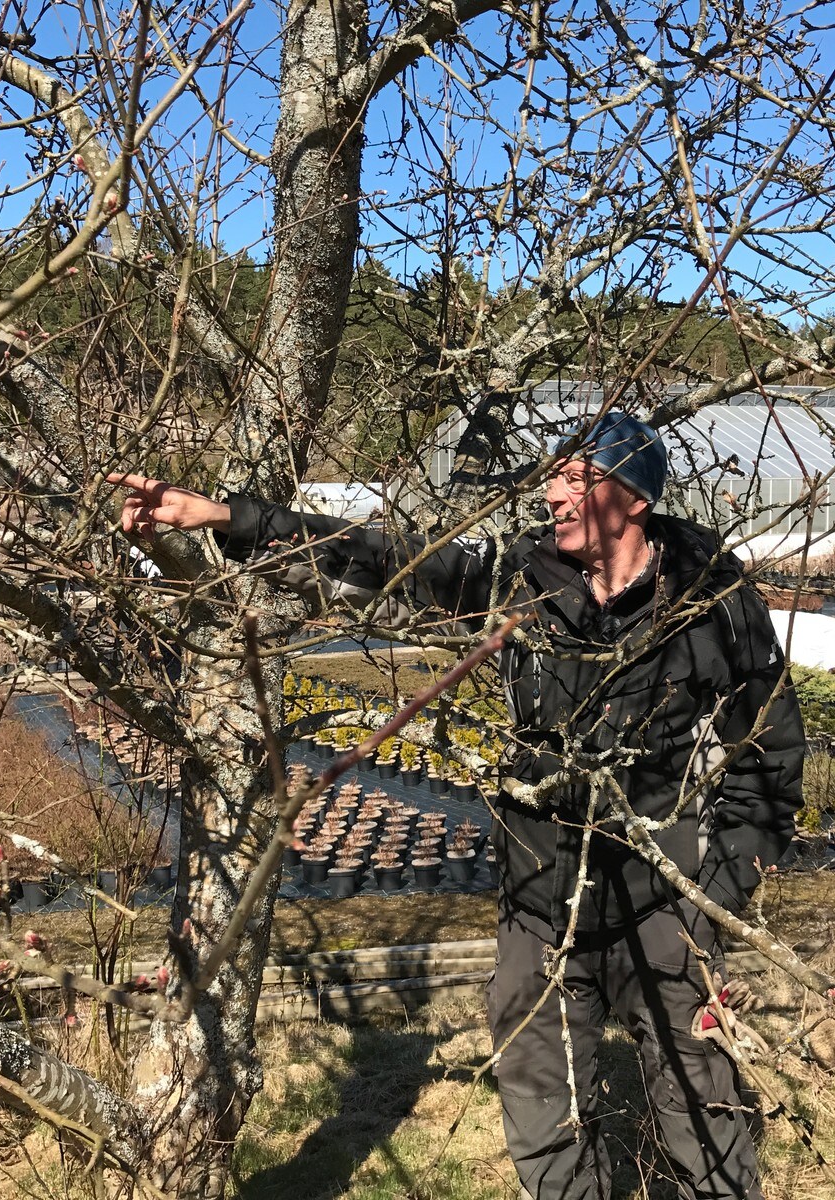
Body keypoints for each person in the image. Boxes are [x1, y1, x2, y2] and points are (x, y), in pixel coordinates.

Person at [108, 408, 804, 1200]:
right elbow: (383, 562)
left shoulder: (711, 598)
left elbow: (771, 748)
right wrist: (224, 518)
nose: (553, 493)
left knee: (699, 1108)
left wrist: (715, 898)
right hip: (541, 905)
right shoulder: (521, 583)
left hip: (664, 904)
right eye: (553, 476)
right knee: (544, 1113)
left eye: (578, 478)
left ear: (635, 498)